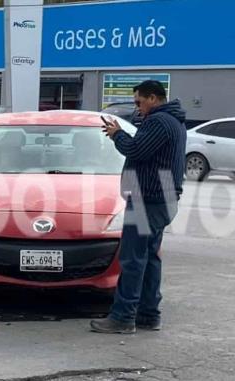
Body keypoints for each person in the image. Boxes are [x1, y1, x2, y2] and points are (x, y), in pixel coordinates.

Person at [91, 80, 187, 334]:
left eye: (139, 102)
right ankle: (148, 314)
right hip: (162, 197)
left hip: (148, 198)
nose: (137, 108)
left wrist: (117, 135)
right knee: (150, 257)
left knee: (133, 258)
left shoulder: (159, 122)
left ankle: (123, 317)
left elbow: (135, 149)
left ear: (153, 98)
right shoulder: (175, 122)